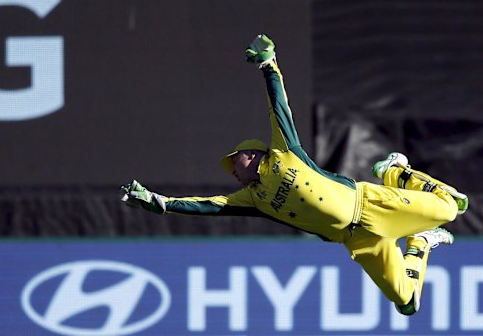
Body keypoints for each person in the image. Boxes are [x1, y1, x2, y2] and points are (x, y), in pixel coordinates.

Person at [120, 34, 469, 316]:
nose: (233, 173)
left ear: (252, 154)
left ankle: (395, 171)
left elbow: (279, 106)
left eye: (235, 162)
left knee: (453, 206)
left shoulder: (284, 155)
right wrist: (160, 202)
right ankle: (422, 242)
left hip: (372, 204)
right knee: (407, 303)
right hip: (360, 241)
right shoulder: (253, 198)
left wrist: (268, 65)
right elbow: (210, 206)